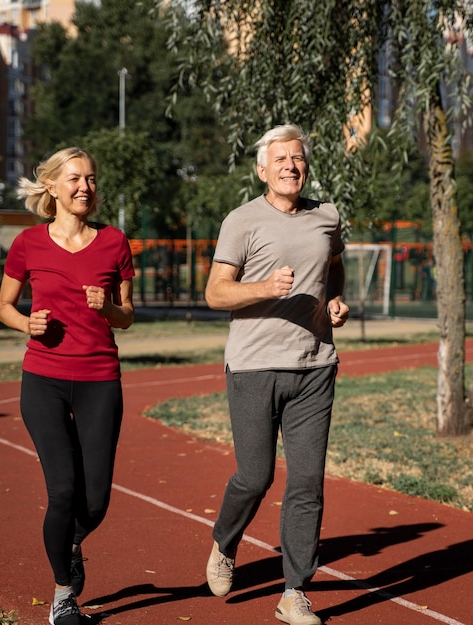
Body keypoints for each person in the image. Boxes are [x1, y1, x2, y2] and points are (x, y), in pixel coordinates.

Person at [204, 124, 349, 625]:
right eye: (280, 158)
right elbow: (216, 293)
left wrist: (332, 298)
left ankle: (294, 592)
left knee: (307, 482)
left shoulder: (327, 216)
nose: (291, 165)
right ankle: (225, 542)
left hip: (315, 367)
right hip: (253, 366)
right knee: (255, 475)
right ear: (262, 169)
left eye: (298, 157)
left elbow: (334, 264)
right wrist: (265, 286)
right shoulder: (241, 220)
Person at [0, 147, 135, 625]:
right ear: (52, 186)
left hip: (100, 380)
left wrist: (107, 308)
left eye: (92, 179)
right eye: (74, 178)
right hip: (44, 380)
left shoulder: (114, 242)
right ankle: (62, 597)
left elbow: (128, 316)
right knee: (62, 491)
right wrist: (25, 325)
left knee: (94, 501)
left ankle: (72, 541)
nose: (85, 188)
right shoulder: (28, 243)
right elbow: (4, 307)